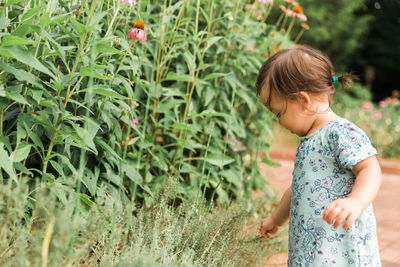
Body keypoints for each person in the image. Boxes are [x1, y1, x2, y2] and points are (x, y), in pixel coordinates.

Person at [255, 45, 381, 266]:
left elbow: (370, 168)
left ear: (303, 100)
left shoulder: (340, 132)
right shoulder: (309, 142)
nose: (279, 122)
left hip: (341, 249)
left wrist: (355, 201)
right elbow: (297, 189)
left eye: (279, 113)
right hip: (311, 249)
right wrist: (276, 220)